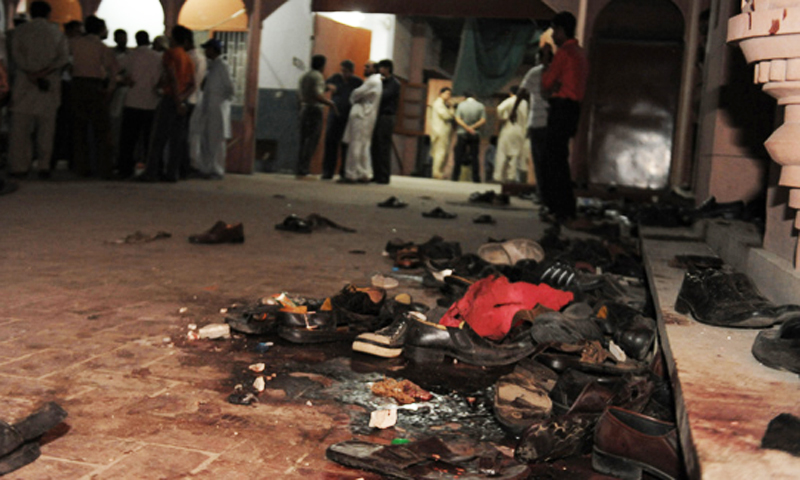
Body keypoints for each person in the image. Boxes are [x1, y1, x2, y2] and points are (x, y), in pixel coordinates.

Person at [7, 1, 69, 179]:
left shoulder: (19, 32)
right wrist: (44, 72)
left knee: (20, 130)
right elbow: (63, 58)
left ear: (31, 13)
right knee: (46, 130)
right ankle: (44, 165)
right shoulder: (56, 33)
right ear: (49, 14)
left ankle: (19, 166)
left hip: (24, 84)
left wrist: (30, 73)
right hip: (48, 85)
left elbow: (15, 56)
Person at [540, 11, 589, 220]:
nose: (552, 36)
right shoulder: (581, 53)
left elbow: (546, 84)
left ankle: (559, 208)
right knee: (559, 158)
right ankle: (562, 207)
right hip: (573, 108)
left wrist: (545, 62)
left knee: (552, 160)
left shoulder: (564, 53)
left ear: (561, 30)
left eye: (553, 31)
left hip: (561, 108)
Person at [138, 25, 196, 182]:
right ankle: (172, 173)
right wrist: (183, 99)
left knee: (158, 138)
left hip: (170, 99)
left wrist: (177, 100)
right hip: (182, 101)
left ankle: (151, 172)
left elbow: (172, 78)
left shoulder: (170, 55)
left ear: (176, 39)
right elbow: (193, 85)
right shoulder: (187, 58)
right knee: (176, 140)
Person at [69, 15, 118, 178]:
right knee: (102, 129)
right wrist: (110, 89)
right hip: (96, 86)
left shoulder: (74, 43)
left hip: (77, 84)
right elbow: (113, 71)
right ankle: (104, 167)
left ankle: (81, 166)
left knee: (79, 128)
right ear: (100, 29)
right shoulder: (102, 47)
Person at [117, 31, 162, 179]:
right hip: (151, 102)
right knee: (149, 139)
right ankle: (151, 169)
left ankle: (125, 169)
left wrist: (123, 80)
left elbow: (113, 68)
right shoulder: (157, 57)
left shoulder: (130, 56)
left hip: (133, 101)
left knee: (129, 139)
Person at [512, 42, 554, 192]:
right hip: (551, 123)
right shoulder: (558, 71)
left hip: (538, 122)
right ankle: (546, 192)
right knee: (550, 160)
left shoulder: (535, 72)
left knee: (539, 160)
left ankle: (543, 192)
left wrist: (513, 110)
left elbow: (522, 92)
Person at [189, 38, 234, 179]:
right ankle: (206, 168)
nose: (205, 51)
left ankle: (217, 170)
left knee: (215, 140)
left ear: (214, 50)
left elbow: (230, 89)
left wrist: (219, 102)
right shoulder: (212, 66)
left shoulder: (222, 66)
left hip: (217, 108)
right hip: (208, 107)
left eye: (208, 49)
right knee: (205, 139)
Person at [296, 54, 336, 179]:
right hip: (314, 110)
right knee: (312, 141)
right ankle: (305, 169)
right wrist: (331, 104)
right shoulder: (318, 76)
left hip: (304, 108)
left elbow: (308, 91)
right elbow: (318, 96)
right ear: (322, 65)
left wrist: (326, 88)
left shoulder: (305, 76)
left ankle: (300, 169)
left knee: (303, 140)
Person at [341, 61, 382, 183]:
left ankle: (352, 173)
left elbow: (355, 94)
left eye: (367, 66)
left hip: (362, 115)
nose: (364, 68)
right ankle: (363, 173)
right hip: (367, 115)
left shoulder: (373, 81)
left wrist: (353, 97)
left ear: (375, 69)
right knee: (364, 144)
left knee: (356, 144)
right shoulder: (375, 81)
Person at [321, 59, 362, 180]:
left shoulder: (357, 82)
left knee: (346, 145)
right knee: (330, 143)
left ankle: (344, 172)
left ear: (352, 71)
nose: (344, 73)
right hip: (334, 115)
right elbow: (323, 87)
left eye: (346, 71)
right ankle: (328, 171)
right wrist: (327, 86)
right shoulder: (335, 78)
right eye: (342, 71)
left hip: (348, 117)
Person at [371, 59, 400, 184]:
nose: (379, 70)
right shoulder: (381, 82)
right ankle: (376, 174)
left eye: (381, 68)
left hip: (387, 116)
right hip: (378, 115)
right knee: (375, 145)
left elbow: (383, 96)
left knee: (383, 146)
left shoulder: (394, 83)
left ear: (387, 68)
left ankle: (384, 175)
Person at [494, 86, 529, 183]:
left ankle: (498, 176)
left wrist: (503, 117)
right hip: (520, 130)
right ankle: (511, 177)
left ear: (510, 92)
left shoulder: (510, 100)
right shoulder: (525, 103)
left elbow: (499, 108)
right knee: (514, 155)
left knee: (502, 153)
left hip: (509, 128)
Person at [183, 35, 207, 178]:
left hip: (188, 98)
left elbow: (191, 81)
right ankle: (190, 164)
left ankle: (189, 164)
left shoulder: (191, 58)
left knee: (186, 135)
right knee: (190, 134)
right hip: (195, 98)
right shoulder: (200, 57)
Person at [451, 92, 486, 183]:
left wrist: (466, 127)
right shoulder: (480, 106)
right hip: (475, 133)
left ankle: (455, 176)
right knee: (474, 156)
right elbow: (483, 120)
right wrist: (472, 128)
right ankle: (476, 178)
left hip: (462, 133)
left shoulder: (461, 105)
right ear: (474, 96)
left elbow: (457, 118)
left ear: (464, 97)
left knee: (459, 156)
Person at [429, 86, 454, 179]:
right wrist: (451, 109)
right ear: (441, 93)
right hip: (440, 131)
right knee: (440, 152)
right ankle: (436, 172)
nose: (448, 96)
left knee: (444, 153)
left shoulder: (443, 104)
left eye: (449, 94)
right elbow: (446, 116)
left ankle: (440, 171)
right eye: (446, 93)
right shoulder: (438, 103)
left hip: (444, 131)